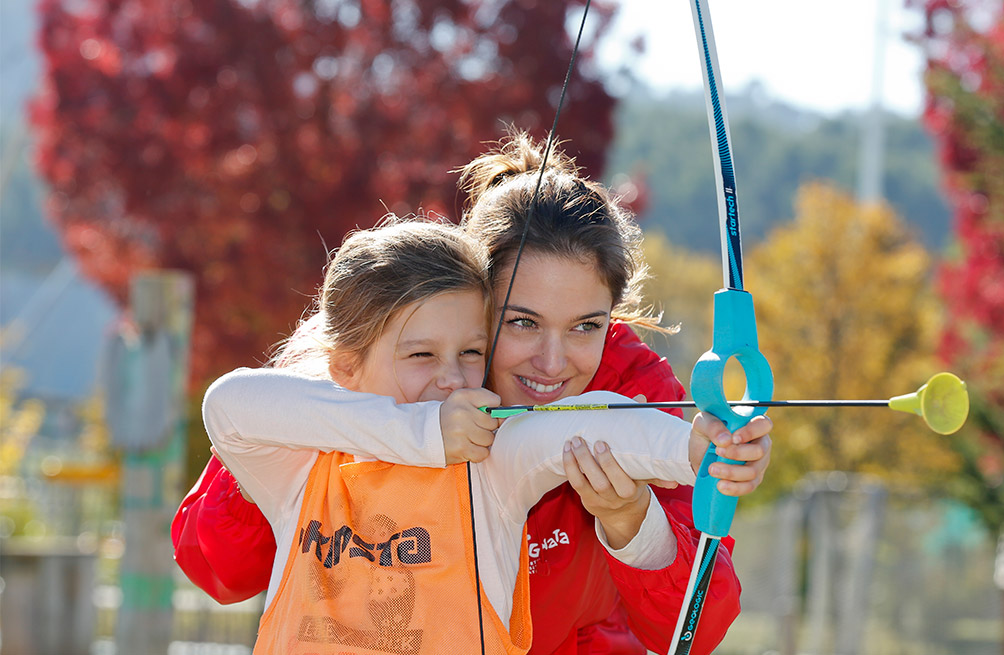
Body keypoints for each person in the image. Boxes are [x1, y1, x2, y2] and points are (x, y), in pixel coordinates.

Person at [173, 132, 773, 654]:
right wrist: (368, 418)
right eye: (520, 322)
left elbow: (694, 627)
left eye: (587, 325)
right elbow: (218, 567)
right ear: (472, 300)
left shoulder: (625, 384)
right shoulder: (369, 372)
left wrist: (670, 482)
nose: (553, 362)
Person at [208, 219, 710, 653]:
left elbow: (584, 426)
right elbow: (228, 406)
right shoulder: (302, 469)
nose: (452, 379)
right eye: (422, 355)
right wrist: (423, 433)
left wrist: (701, 450)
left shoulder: (491, 460)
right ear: (346, 367)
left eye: (471, 354)